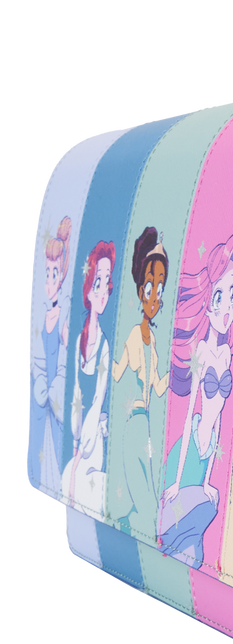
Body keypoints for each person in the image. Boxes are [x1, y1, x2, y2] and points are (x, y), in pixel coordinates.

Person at [159, 233, 233, 569]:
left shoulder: (226, 354)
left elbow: (221, 417)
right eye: (219, 296)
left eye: (232, 294)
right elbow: (188, 417)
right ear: (206, 301)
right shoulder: (202, 351)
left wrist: (210, 478)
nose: (227, 306)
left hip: (208, 446)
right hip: (187, 450)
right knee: (184, 515)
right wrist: (175, 480)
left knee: (199, 524)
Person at [112, 227, 169, 537]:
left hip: (145, 424)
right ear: (140, 292)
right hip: (133, 423)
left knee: (149, 498)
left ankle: (125, 522)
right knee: (146, 502)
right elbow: (118, 372)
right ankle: (126, 523)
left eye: (160, 289)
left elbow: (157, 387)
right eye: (150, 288)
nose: (155, 297)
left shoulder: (154, 342)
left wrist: (183, 374)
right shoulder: (135, 335)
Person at [62, 240, 116, 520]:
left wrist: (81, 452)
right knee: (68, 481)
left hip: (94, 442)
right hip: (79, 437)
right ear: (88, 288)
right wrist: (74, 445)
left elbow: (98, 400)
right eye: (98, 282)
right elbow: (75, 393)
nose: (104, 291)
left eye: (107, 282)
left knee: (83, 487)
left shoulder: (104, 346)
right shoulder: (79, 342)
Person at [31, 216, 71, 497]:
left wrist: (56, 387)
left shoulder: (62, 318)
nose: (49, 281)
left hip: (57, 397)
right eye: (46, 273)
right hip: (40, 395)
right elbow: (38, 356)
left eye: (54, 273)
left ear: (63, 274)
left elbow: (67, 358)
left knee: (58, 451)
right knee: (40, 455)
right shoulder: (44, 315)